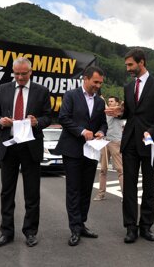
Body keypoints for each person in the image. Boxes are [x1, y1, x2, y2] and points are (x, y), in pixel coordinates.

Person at [105, 48, 154, 243]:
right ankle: (131, 227)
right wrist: (119, 113)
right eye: (127, 65)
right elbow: (132, 114)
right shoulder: (128, 87)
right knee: (129, 187)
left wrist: (152, 131)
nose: (128, 68)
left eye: (130, 64)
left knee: (149, 186)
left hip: (149, 142)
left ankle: (146, 226)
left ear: (141, 63)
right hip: (130, 142)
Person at [0, 57, 51, 247]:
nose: (21, 77)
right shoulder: (3, 89)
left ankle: (30, 232)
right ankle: (6, 232)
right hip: (9, 145)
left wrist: (37, 122)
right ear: (13, 72)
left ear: (30, 72)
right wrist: (1, 121)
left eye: (24, 73)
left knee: (32, 193)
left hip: (30, 146)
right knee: (7, 192)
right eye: (17, 74)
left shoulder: (41, 91)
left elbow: (48, 117)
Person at [55, 66, 107, 246]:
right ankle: (74, 228)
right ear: (85, 79)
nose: (98, 86)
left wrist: (101, 131)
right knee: (73, 190)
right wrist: (81, 131)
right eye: (95, 82)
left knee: (86, 189)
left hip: (91, 150)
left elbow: (103, 123)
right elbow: (63, 118)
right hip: (72, 150)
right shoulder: (70, 95)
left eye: (100, 83)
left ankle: (82, 223)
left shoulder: (100, 102)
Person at [94, 96, 123, 201]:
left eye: (112, 101)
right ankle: (101, 194)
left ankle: (125, 194)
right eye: (109, 101)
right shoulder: (105, 111)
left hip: (115, 142)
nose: (110, 103)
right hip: (104, 142)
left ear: (117, 103)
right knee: (103, 170)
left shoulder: (118, 111)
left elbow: (112, 111)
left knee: (120, 169)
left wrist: (103, 101)